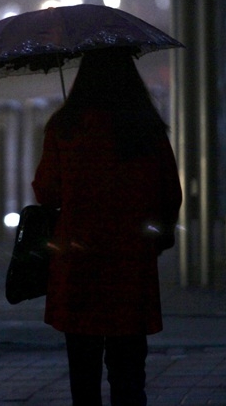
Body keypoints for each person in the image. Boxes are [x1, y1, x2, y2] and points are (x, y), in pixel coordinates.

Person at [31, 47, 182, 406]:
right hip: (130, 261)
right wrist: (159, 236)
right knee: (128, 373)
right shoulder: (145, 126)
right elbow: (169, 193)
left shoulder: (64, 125)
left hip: (78, 261)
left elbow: (46, 191)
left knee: (83, 376)